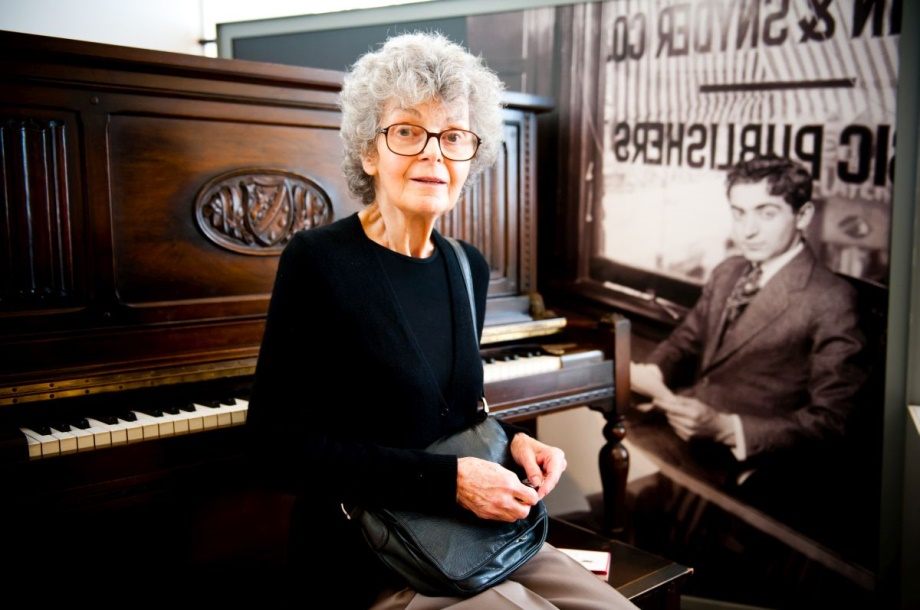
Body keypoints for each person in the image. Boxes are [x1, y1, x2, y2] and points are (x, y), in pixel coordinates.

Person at [248, 33, 636, 609]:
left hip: (474, 536)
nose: (434, 152)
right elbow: (274, 448)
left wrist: (516, 443)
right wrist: (450, 481)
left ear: (468, 158)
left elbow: (452, 414)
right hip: (373, 550)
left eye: (453, 136)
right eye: (408, 132)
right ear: (368, 152)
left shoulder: (466, 266)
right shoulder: (319, 261)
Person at [630, 155, 866, 507]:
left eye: (766, 213)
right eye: (739, 213)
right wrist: (652, 371)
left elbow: (832, 423)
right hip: (681, 435)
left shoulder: (831, 299)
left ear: (803, 216)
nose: (747, 230)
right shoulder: (729, 272)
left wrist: (727, 427)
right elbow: (686, 341)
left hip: (752, 468)